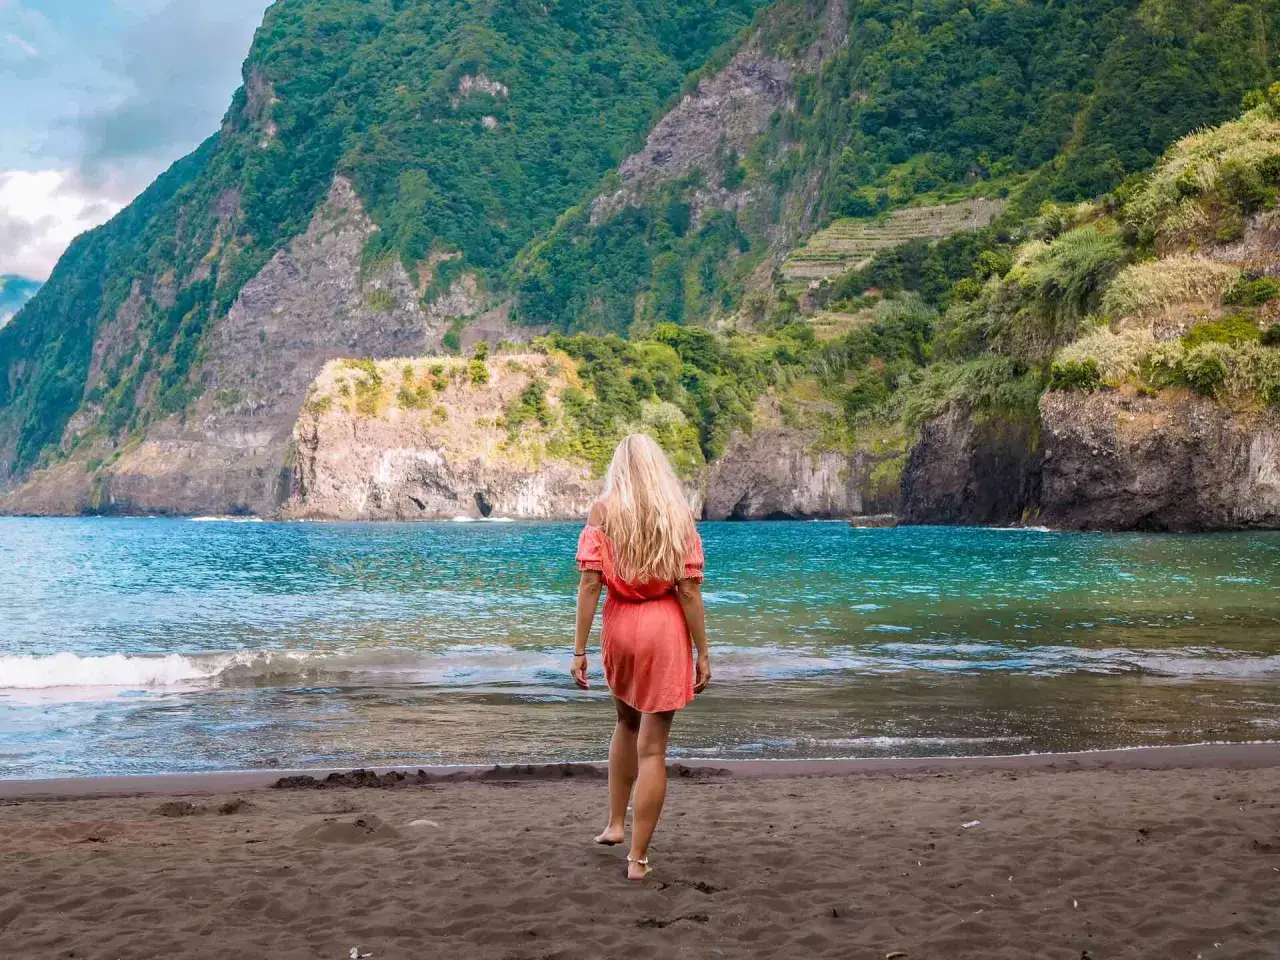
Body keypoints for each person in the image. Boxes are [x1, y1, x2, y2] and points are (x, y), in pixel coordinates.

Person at [570, 433, 711, 881]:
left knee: (625, 723)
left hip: (620, 625)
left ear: (619, 468)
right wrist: (703, 652)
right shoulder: (678, 514)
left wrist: (578, 650)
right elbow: (688, 590)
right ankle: (638, 860)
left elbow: (591, 584)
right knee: (653, 750)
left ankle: (614, 824)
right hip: (664, 628)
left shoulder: (603, 510)